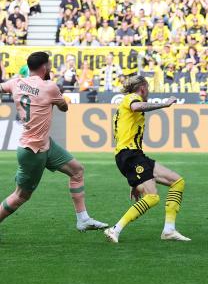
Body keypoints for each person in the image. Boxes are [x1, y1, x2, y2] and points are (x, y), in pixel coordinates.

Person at [0, 52, 108, 233]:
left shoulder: (16, 82)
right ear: (44, 67)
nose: (51, 67)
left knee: (77, 170)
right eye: (49, 65)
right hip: (33, 150)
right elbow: (64, 107)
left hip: (44, 145)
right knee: (21, 195)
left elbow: (2, 87)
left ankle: (83, 219)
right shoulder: (49, 87)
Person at [104, 76, 190, 243]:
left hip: (134, 155)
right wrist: (164, 104)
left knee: (177, 182)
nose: (148, 92)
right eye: (147, 88)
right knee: (152, 197)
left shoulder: (126, 103)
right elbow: (137, 106)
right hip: (129, 155)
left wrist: (135, 181)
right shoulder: (131, 98)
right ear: (142, 88)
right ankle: (115, 229)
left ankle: (169, 230)